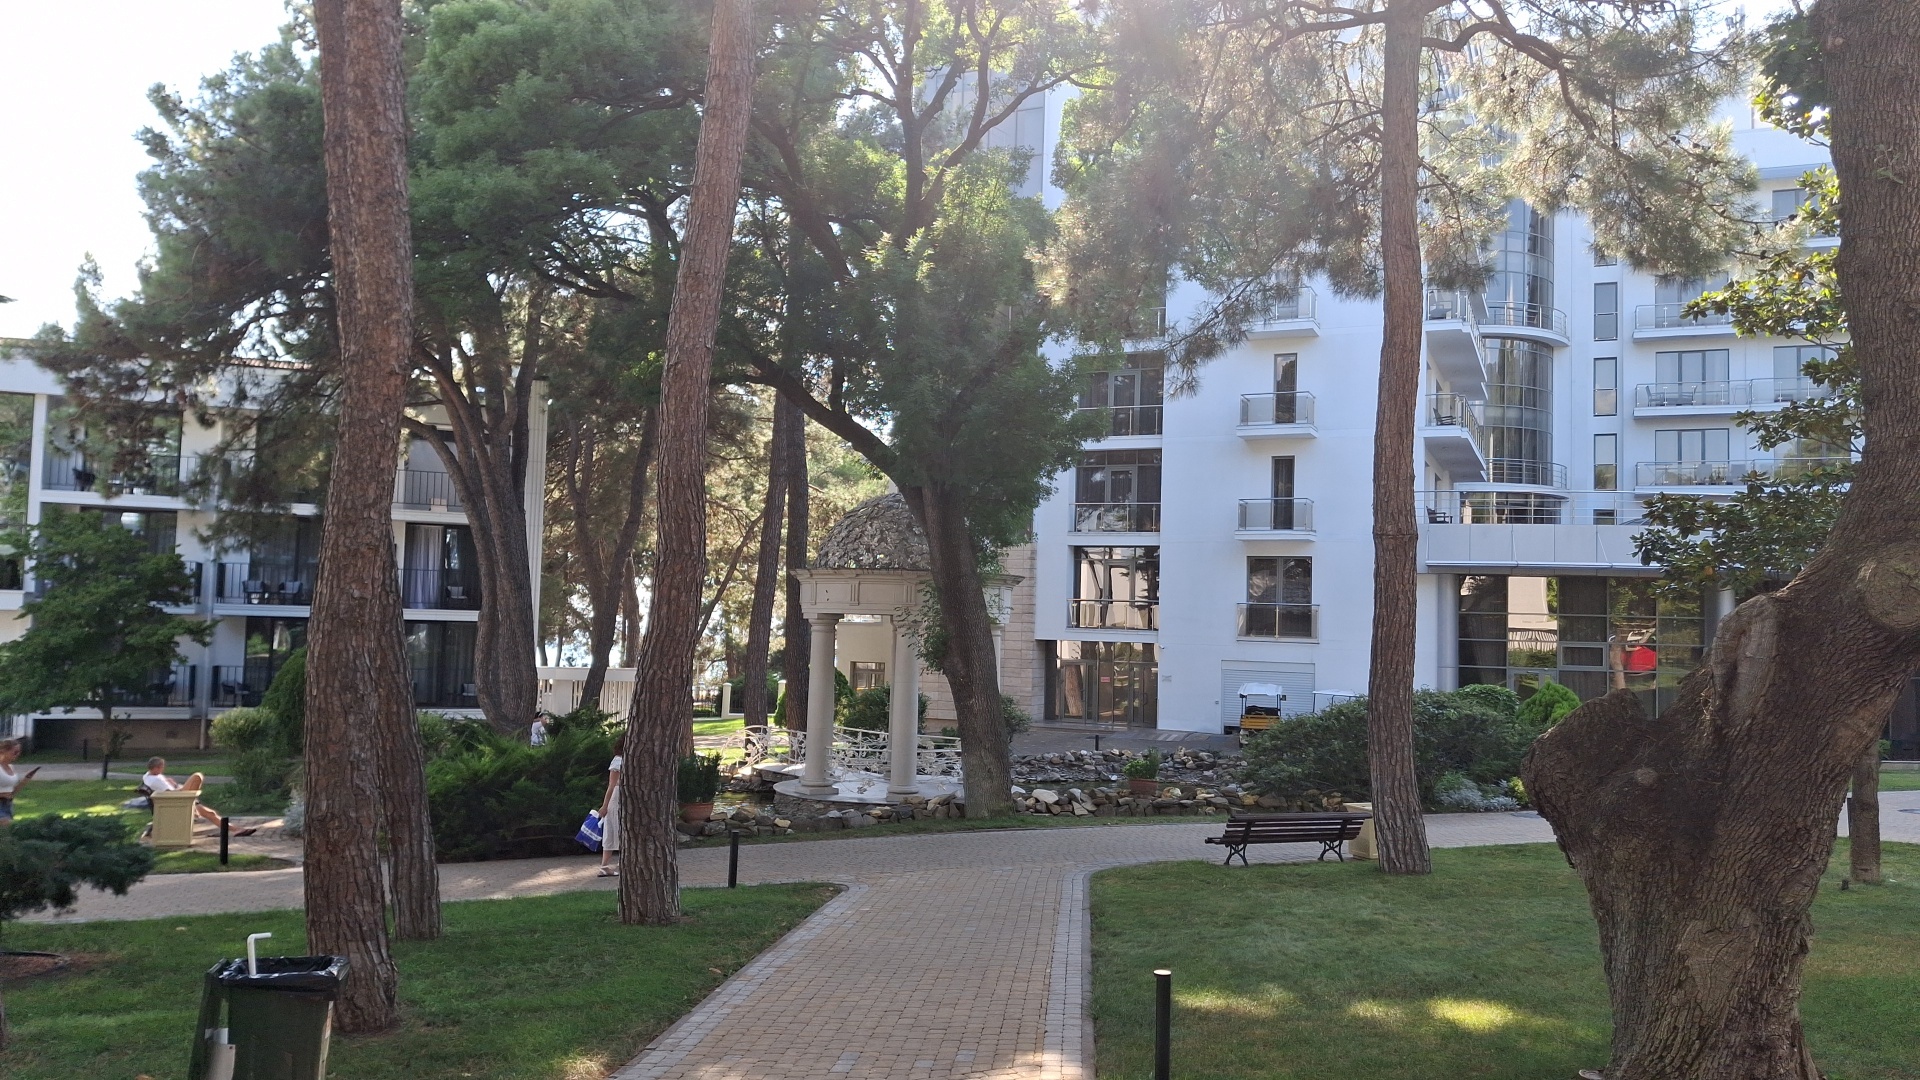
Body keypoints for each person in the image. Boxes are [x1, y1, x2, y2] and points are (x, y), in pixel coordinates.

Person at [142, 757, 254, 835]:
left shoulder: (149, 775)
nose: (163, 769)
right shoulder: (155, 780)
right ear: (156, 768)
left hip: (178, 797)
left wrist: (172, 783)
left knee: (211, 813)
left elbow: (165, 788)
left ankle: (236, 830)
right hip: (178, 799)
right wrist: (176, 786)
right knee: (197, 776)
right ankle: (194, 806)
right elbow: (170, 794)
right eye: (162, 767)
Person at [0, 739, 39, 825]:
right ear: (4, 751)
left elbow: (12, 792)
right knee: (9, 826)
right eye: (15, 752)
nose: (18, 754)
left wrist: (26, 779)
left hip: (8, 805)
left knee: (8, 830)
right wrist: (2, 795)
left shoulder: (11, 767)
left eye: (19, 752)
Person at [597, 752, 622, 877]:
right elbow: (611, 785)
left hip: (624, 797)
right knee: (613, 829)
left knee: (620, 829)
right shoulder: (618, 761)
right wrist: (605, 805)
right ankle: (605, 866)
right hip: (616, 798)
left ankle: (615, 864)